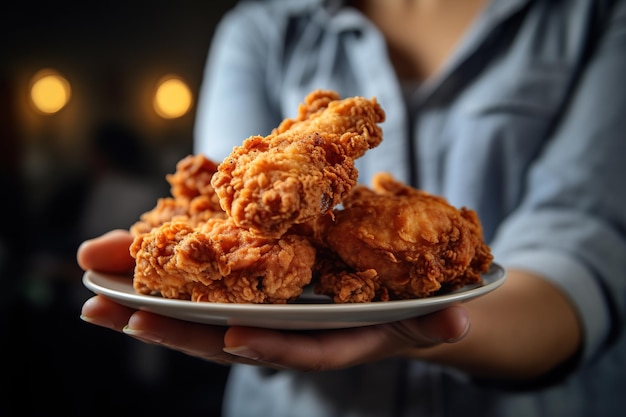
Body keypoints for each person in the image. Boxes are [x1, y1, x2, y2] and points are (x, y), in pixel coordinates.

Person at [77, 0, 626, 416]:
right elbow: (223, 196)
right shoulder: (264, 26)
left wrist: (420, 331)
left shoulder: (593, 16)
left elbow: (587, 245)